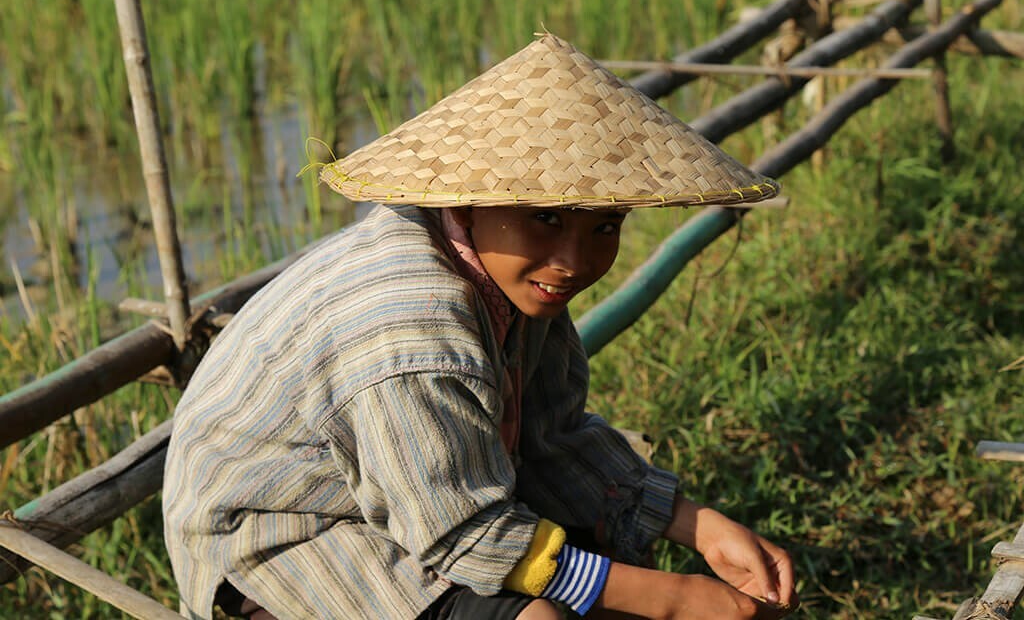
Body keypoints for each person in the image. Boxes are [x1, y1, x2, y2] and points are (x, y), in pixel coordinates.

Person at [163, 33, 796, 620]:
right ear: (469, 199)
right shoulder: (410, 333)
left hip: (411, 497)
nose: (574, 262)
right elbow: (463, 532)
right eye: (547, 219)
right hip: (284, 531)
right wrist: (675, 600)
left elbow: (554, 438)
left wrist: (698, 524)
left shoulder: (509, 281)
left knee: (612, 561)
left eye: (605, 227)